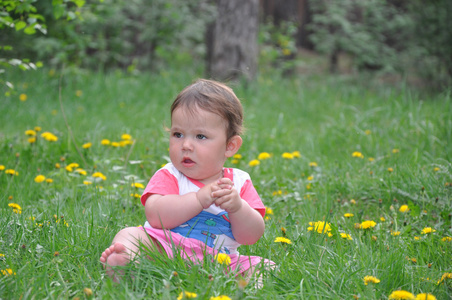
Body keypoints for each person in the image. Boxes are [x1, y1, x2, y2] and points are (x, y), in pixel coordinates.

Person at [100, 79, 274, 285]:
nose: (186, 145)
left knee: (267, 267)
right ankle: (126, 264)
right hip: (165, 249)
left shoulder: (239, 182)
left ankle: (245, 288)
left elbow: (251, 236)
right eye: (178, 134)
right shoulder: (170, 174)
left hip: (220, 259)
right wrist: (198, 199)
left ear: (230, 146)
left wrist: (238, 208)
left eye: (200, 136)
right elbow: (155, 216)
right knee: (129, 235)